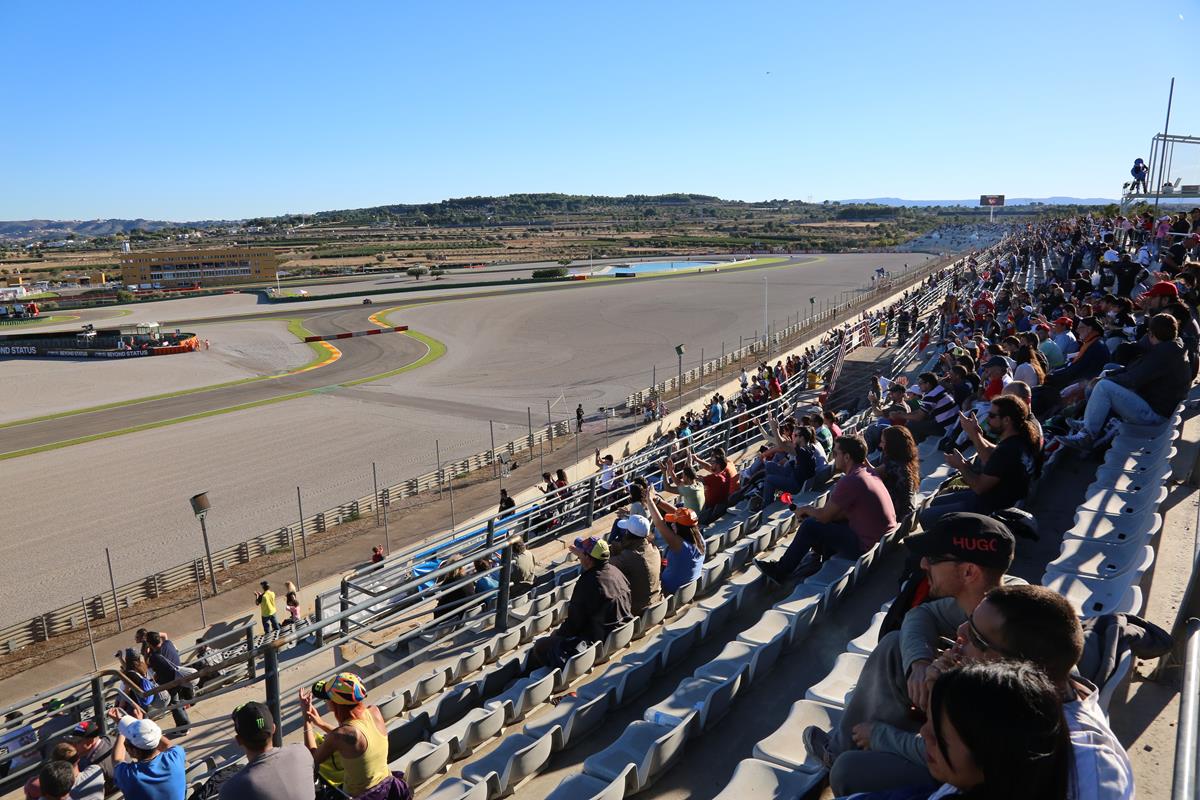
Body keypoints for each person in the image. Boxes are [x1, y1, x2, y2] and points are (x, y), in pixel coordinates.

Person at [811, 513, 1015, 791]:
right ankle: (842, 747)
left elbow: (967, 761)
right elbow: (920, 615)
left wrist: (882, 736)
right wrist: (918, 663)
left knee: (847, 773)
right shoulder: (995, 600)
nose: (922, 564)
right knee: (895, 644)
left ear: (969, 572)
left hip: (979, 780)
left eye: (933, 558)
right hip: (961, 743)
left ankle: (858, 752)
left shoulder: (1006, 652)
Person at [755, 435, 896, 582]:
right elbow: (843, 513)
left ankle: (780, 571)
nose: (833, 457)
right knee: (822, 522)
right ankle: (822, 556)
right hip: (882, 540)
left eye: (836, 453)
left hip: (866, 545)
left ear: (847, 457)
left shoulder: (851, 480)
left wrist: (807, 510)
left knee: (810, 525)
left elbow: (824, 516)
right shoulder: (868, 472)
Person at [1063, 313, 1191, 451]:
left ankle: (1086, 436)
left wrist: (1105, 379)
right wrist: (1110, 374)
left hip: (1156, 415)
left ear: (1152, 334)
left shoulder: (1163, 354)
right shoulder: (1170, 346)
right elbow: (1135, 369)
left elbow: (1132, 379)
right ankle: (1089, 422)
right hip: (1153, 402)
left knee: (1103, 386)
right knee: (1109, 370)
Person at [918, 396, 1039, 529]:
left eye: (992, 416)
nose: (987, 419)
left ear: (1006, 420)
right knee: (937, 501)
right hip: (998, 497)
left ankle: (945, 545)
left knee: (926, 516)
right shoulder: (1019, 440)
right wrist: (975, 434)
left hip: (991, 507)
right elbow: (994, 454)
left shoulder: (1008, 451)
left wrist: (961, 465)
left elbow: (979, 487)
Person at [529, 536, 631, 670]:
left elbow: (574, 624)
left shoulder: (588, 582)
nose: (579, 556)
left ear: (589, 558)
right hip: (618, 635)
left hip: (596, 642)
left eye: (581, 553)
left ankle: (529, 679)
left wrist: (558, 633)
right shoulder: (617, 573)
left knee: (540, 646)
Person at [300, 674, 408, 800]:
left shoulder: (341, 735)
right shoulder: (374, 712)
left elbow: (313, 759)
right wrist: (321, 723)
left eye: (327, 699)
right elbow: (351, 737)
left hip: (360, 796)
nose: (326, 702)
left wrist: (306, 720)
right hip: (389, 789)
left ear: (336, 704)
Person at [219, 701, 315, 800]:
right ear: (274, 728)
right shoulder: (301, 752)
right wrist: (307, 720)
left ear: (239, 740)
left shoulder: (232, 790)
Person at [106, 705, 187, 800]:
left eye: (126, 743)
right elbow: (166, 744)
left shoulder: (130, 776)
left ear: (134, 751)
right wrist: (143, 727)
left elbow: (117, 759)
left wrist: (123, 730)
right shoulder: (175, 756)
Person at [645, 489, 705, 594]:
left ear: (680, 527)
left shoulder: (680, 545)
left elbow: (659, 524)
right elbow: (680, 515)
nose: (672, 524)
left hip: (669, 590)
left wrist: (649, 501)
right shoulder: (699, 538)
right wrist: (658, 501)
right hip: (687, 590)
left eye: (674, 522)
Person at [608, 514, 662, 615]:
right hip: (656, 604)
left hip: (637, 609)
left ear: (628, 533)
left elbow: (605, 565)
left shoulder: (628, 556)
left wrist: (613, 550)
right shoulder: (654, 549)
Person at [143, 633, 192, 734]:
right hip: (180, 677)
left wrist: (146, 654)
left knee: (174, 705)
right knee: (177, 703)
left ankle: (184, 728)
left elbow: (149, 667)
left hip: (170, 683)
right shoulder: (168, 644)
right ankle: (184, 725)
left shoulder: (154, 658)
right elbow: (164, 635)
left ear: (149, 644)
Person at [872, 425, 918, 519]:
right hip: (908, 516)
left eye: (883, 442)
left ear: (892, 445)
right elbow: (874, 472)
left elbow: (869, 474)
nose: (880, 445)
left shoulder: (894, 465)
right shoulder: (905, 461)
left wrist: (858, 450)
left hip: (897, 516)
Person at [67, 721, 115, 795]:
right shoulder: (109, 739)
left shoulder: (93, 765)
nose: (73, 745)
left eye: (77, 741)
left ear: (90, 741)